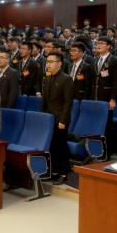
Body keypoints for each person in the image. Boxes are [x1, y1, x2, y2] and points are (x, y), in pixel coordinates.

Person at [42, 51, 74, 184]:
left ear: (59, 64)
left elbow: (68, 102)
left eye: (51, 62)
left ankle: (64, 172)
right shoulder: (47, 78)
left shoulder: (66, 79)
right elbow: (45, 101)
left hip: (60, 119)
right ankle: (54, 171)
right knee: (51, 146)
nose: (48, 65)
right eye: (47, 62)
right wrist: (42, 116)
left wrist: (63, 120)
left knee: (61, 146)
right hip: (49, 118)